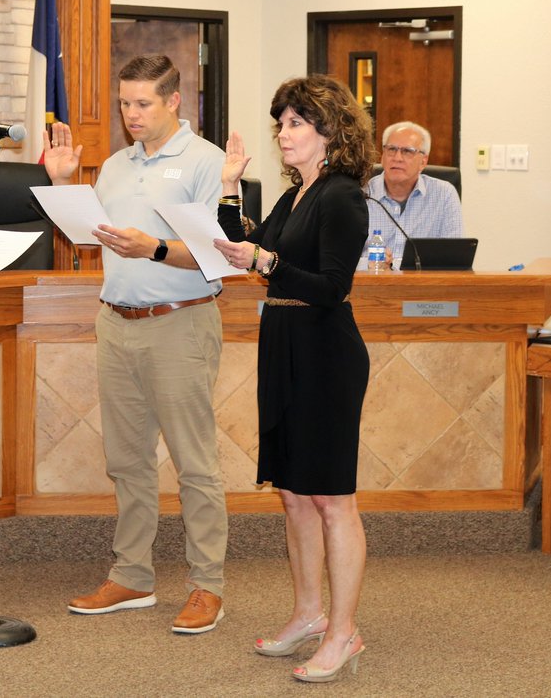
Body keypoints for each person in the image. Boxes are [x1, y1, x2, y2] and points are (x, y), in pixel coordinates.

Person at [46, 54, 229, 635]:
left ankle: (207, 586)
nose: (131, 115)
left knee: (194, 464)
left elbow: (217, 256)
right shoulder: (116, 166)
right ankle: (133, 576)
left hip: (180, 322)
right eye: (125, 103)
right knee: (126, 462)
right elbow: (88, 241)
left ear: (175, 101)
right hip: (115, 323)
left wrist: (153, 247)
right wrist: (62, 185)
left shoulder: (207, 163)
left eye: (143, 103)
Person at [213, 74, 375, 683]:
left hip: (326, 354)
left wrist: (267, 261)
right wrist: (229, 190)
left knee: (333, 499)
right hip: (283, 345)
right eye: (280, 123)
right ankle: (308, 613)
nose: (282, 134)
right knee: (293, 491)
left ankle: (343, 632)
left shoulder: (341, 196)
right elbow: (247, 246)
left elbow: (333, 286)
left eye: (294, 124)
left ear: (329, 133)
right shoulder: (297, 194)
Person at [364, 120, 463, 268]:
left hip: (424, 288)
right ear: (382, 156)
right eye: (391, 149)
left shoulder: (444, 194)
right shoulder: (361, 194)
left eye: (407, 151)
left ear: (424, 161)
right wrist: (368, 264)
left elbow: (455, 258)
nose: (397, 158)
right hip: (371, 286)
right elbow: (340, 257)